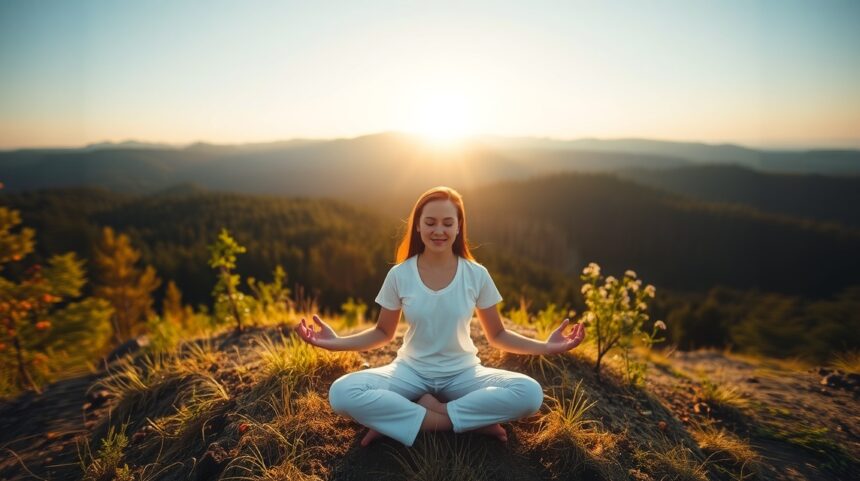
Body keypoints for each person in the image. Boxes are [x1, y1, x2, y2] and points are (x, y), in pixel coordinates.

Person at [295, 186, 586, 447]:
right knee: (342, 393)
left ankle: (411, 420)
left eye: (448, 223)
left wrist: (545, 347)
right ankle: (464, 422)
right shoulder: (400, 275)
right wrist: (336, 342)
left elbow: (497, 336)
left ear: (459, 227)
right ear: (418, 228)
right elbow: (383, 333)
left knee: (530, 393)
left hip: (463, 373)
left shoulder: (476, 274)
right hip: (409, 372)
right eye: (430, 222)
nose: (439, 230)